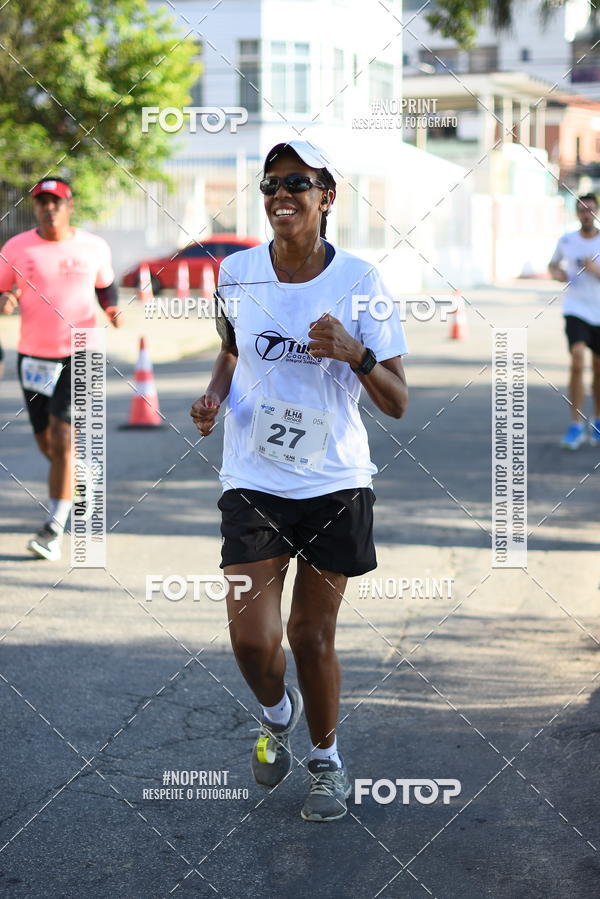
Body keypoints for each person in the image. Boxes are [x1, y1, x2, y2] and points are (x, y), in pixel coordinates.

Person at [190, 140, 408, 822]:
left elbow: (398, 400)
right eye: (271, 184)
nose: (281, 194)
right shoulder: (236, 272)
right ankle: (277, 712)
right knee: (253, 640)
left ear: (326, 196)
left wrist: (356, 352)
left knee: (310, 636)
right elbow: (231, 350)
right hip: (252, 477)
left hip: (334, 480)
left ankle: (326, 761)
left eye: (297, 182)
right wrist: (215, 394)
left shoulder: (362, 280)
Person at [0, 177, 122, 560]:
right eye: (42, 202)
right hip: (33, 356)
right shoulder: (16, 248)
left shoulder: (93, 246)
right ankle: (80, 478)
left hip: (82, 351)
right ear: (35, 208)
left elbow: (105, 285)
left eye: (56, 201)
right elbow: (3, 289)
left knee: (63, 435)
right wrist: (5, 300)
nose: (49, 208)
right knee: (47, 444)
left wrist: (111, 308)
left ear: (69, 206)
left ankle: (53, 528)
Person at [549, 193, 600, 449]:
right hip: (576, 309)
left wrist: (595, 270)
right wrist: (557, 273)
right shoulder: (567, 240)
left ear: (596, 212)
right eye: (581, 210)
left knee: (598, 369)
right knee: (577, 359)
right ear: (576, 213)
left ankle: (597, 421)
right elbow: (552, 265)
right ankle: (575, 424)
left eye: (590, 209)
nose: (585, 214)